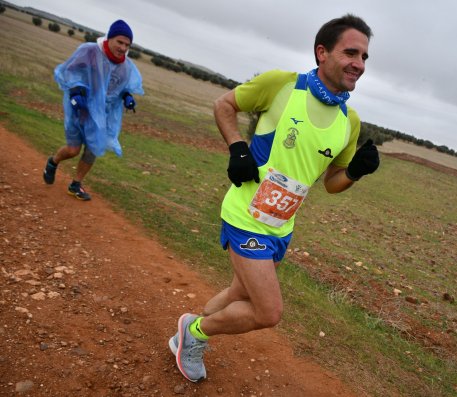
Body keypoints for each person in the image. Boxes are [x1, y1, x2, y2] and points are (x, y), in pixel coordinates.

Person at [169, 14, 380, 382]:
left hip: (281, 226)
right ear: (321, 52)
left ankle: (190, 328)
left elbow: (332, 183)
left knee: (239, 291)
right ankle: (196, 334)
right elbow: (224, 105)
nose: (359, 64)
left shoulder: (351, 121)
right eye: (351, 53)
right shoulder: (282, 85)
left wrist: (356, 173)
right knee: (268, 312)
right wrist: (237, 148)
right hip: (244, 216)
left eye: (364, 57)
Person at [43, 19, 144, 200]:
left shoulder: (125, 66)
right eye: (119, 42)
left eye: (127, 44)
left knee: (93, 148)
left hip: (100, 114)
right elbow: (70, 71)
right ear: (110, 38)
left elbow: (123, 86)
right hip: (79, 108)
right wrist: (75, 90)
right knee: (73, 150)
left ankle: (76, 184)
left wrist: (127, 96)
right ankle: (53, 162)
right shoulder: (89, 51)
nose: (123, 48)